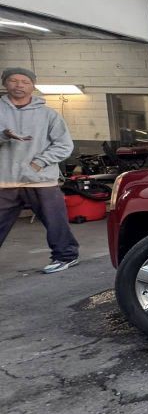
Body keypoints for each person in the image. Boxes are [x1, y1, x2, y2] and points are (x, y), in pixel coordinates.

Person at [0, 67, 80, 272]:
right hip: (5, 179)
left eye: (24, 81)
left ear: (32, 86)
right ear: (4, 83)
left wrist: (39, 163)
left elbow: (64, 145)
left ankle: (66, 256)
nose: (19, 85)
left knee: (56, 221)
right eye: (13, 80)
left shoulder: (48, 114)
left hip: (40, 179)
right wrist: (4, 136)